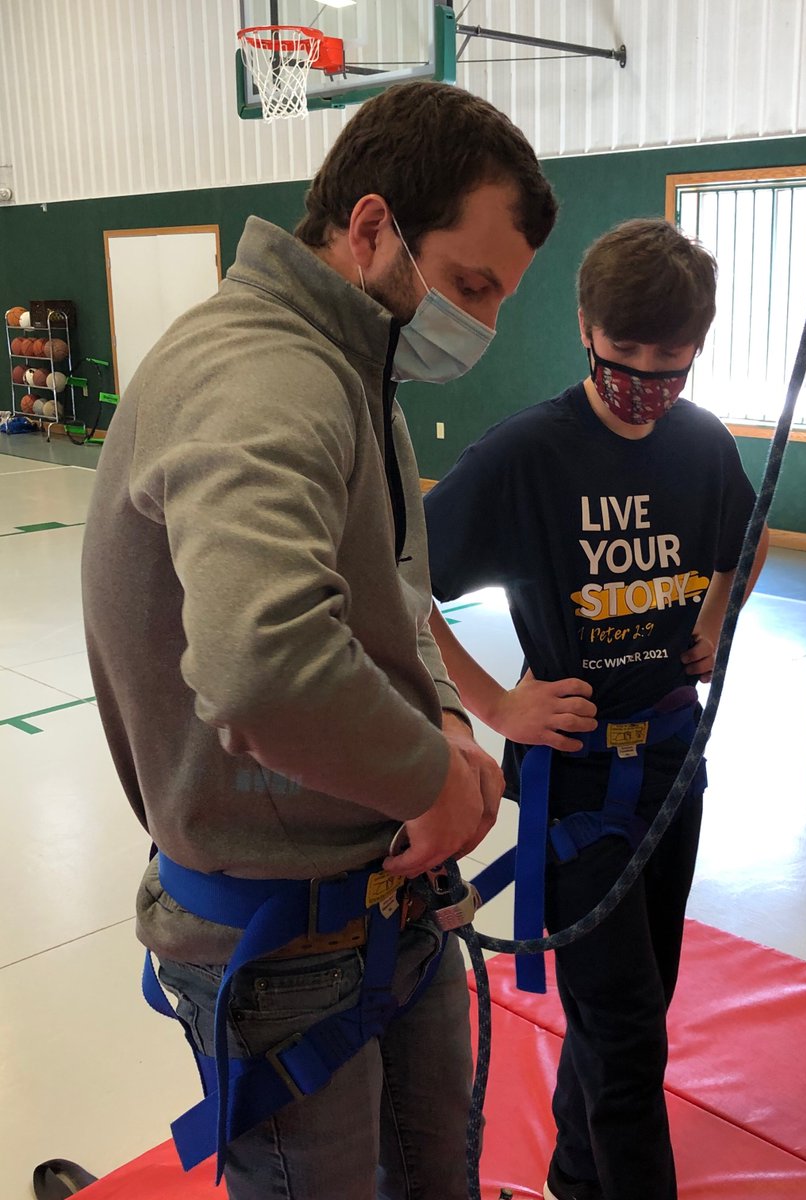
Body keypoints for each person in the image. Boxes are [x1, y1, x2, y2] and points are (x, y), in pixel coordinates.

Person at [81, 80, 557, 1200]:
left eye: (500, 298)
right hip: (284, 938)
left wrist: (441, 712)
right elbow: (263, 661)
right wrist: (430, 770)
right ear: (373, 227)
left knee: (441, 1169)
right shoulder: (263, 373)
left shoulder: (358, 375)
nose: (480, 324)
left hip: (387, 891)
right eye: (470, 285)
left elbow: (396, 585)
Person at [424, 218, 770, 1200]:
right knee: (624, 1035)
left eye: (672, 360)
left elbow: (745, 540)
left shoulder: (700, 444)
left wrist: (713, 611)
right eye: (626, 355)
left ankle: (579, 1178)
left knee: (639, 1006)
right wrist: (496, 701)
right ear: (586, 327)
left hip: (673, 762)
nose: (647, 380)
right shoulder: (530, 455)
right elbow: (402, 581)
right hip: (578, 778)